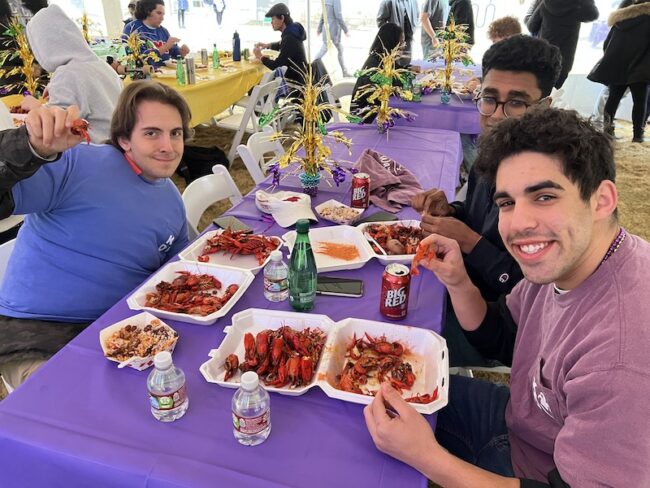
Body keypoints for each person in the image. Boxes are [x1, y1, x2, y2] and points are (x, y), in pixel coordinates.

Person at [365, 107, 650, 486]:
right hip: (522, 420)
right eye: (507, 203)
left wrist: (427, 458)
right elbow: (501, 336)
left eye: (545, 197)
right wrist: (459, 281)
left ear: (601, 200)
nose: (519, 224)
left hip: (530, 466)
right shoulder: (569, 259)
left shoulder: (622, 355)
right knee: (365, 400)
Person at [0, 81, 191, 391]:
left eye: (176, 133)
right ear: (124, 140)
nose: (168, 146)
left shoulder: (170, 196)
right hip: (39, 334)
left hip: (124, 330)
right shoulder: (76, 163)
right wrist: (30, 147)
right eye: (152, 133)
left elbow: (182, 269)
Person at [411, 35, 562, 366]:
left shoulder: (553, 187)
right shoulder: (490, 153)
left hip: (492, 324)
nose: (497, 115)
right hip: (455, 284)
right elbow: (480, 219)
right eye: (490, 99)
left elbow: (531, 288)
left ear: (545, 107)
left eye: (517, 103)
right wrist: (452, 211)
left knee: (396, 329)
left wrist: (469, 241)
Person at [20, 4, 122, 143]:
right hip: (118, 147)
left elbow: (57, 128)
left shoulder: (68, 74)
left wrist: (35, 107)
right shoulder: (100, 65)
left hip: (93, 153)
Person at [588, 0, 649, 143]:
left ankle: (608, 131)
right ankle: (638, 136)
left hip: (618, 65)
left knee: (613, 99)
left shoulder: (621, 19)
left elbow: (607, 43)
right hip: (641, 67)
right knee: (640, 102)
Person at [525, 0, 599, 89]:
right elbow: (593, 15)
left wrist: (529, 14)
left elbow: (532, 26)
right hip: (563, 62)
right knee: (551, 96)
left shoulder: (546, 4)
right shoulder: (578, 6)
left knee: (534, 93)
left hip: (542, 57)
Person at [350, 23, 404, 124]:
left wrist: (407, 69)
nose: (403, 45)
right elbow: (391, 86)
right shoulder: (375, 65)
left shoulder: (381, 58)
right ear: (392, 43)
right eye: (401, 41)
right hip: (365, 118)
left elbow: (396, 72)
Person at [253, 3, 307, 88]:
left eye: (273, 18)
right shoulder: (292, 32)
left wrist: (260, 56)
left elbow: (277, 66)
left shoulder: (290, 38)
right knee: (261, 81)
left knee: (256, 85)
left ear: (282, 18)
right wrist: (268, 45)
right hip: (299, 77)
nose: (271, 22)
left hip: (296, 85)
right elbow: (282, 43)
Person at [123, 0, 190, 67]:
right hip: (144, 75)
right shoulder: (132, 28)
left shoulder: (163, 31)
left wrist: (182, 52)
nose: (162, 18)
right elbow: (140, 59)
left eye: (163, 14)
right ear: (147, 11)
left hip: (164, 73)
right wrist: (165, 47)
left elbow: (174, 53)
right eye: (159, 13)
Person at [314, 0, 351, 77]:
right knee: (324, 50)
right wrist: (346, 30)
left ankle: (344, 71)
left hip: (326, 29)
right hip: (334, 30)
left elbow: (323, 15)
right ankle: (312, 68)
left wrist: (319, 29)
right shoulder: (336, 1)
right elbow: (338, 15)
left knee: (339, 49)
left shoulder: (326, 1)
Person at [376, 0, 419, 65]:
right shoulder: (388, 2)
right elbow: (380, 20)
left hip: (408, 37)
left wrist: (414, 27)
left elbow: (417, 16)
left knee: (406, 61)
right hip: (393, 39)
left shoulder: (413, 1)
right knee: (393, 63)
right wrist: (390, 35)